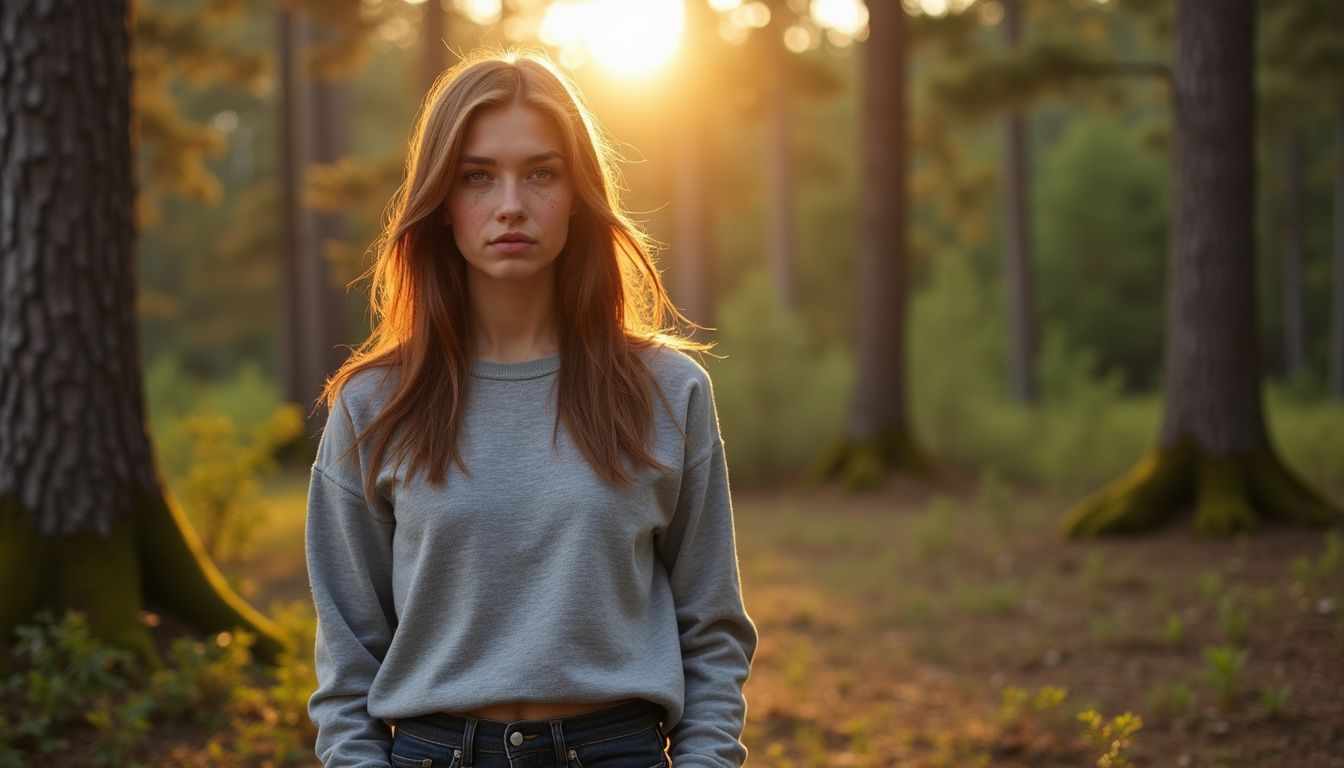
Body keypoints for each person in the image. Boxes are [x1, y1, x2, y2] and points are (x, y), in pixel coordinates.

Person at [304, 50, 757, 768]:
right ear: (441, 200)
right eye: (477, 176)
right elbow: (347, 653)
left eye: (540, 173)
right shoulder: (373, 404)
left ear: (576, 192)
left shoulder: (668, 391)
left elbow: (712, 629)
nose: (510, 204)